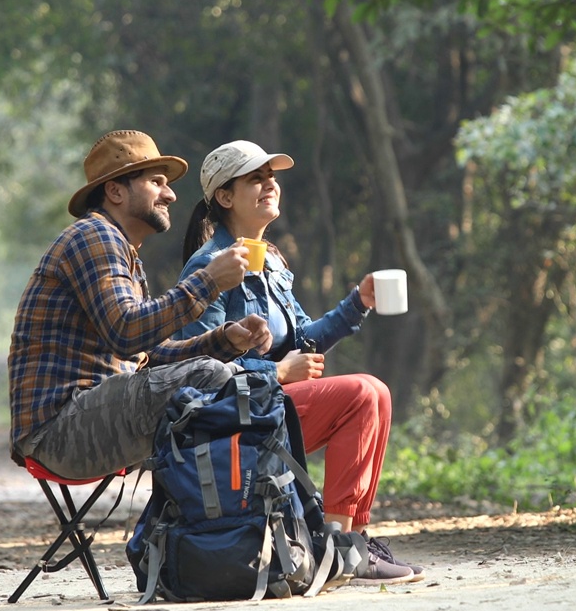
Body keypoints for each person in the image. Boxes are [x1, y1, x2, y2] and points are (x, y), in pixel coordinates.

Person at [176, 139, 422, 584]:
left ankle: (353, 541)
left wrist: (357, 304)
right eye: (256, 178)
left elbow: (304, 337)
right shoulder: (209, 266)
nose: (270, 184)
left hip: (274, 410)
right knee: (364, 392)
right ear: (225, 197)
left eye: (272, 176)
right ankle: (334, 547)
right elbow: (197, 371)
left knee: (376, 394)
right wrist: (276, 372)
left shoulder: (269, 261)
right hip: (236, 422)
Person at [8, 130, 273, 480]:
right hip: (58, 433)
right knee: (215, 378)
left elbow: (149, 353)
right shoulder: (95, 236)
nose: (171, 194)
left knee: (230, 377)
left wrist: (226, 341)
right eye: (157, 182)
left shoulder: (123, 250)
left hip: (81, 423)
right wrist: (209, 281)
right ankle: (217, 521)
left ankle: (229, 518)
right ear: (115, 190)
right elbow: (126, 332)